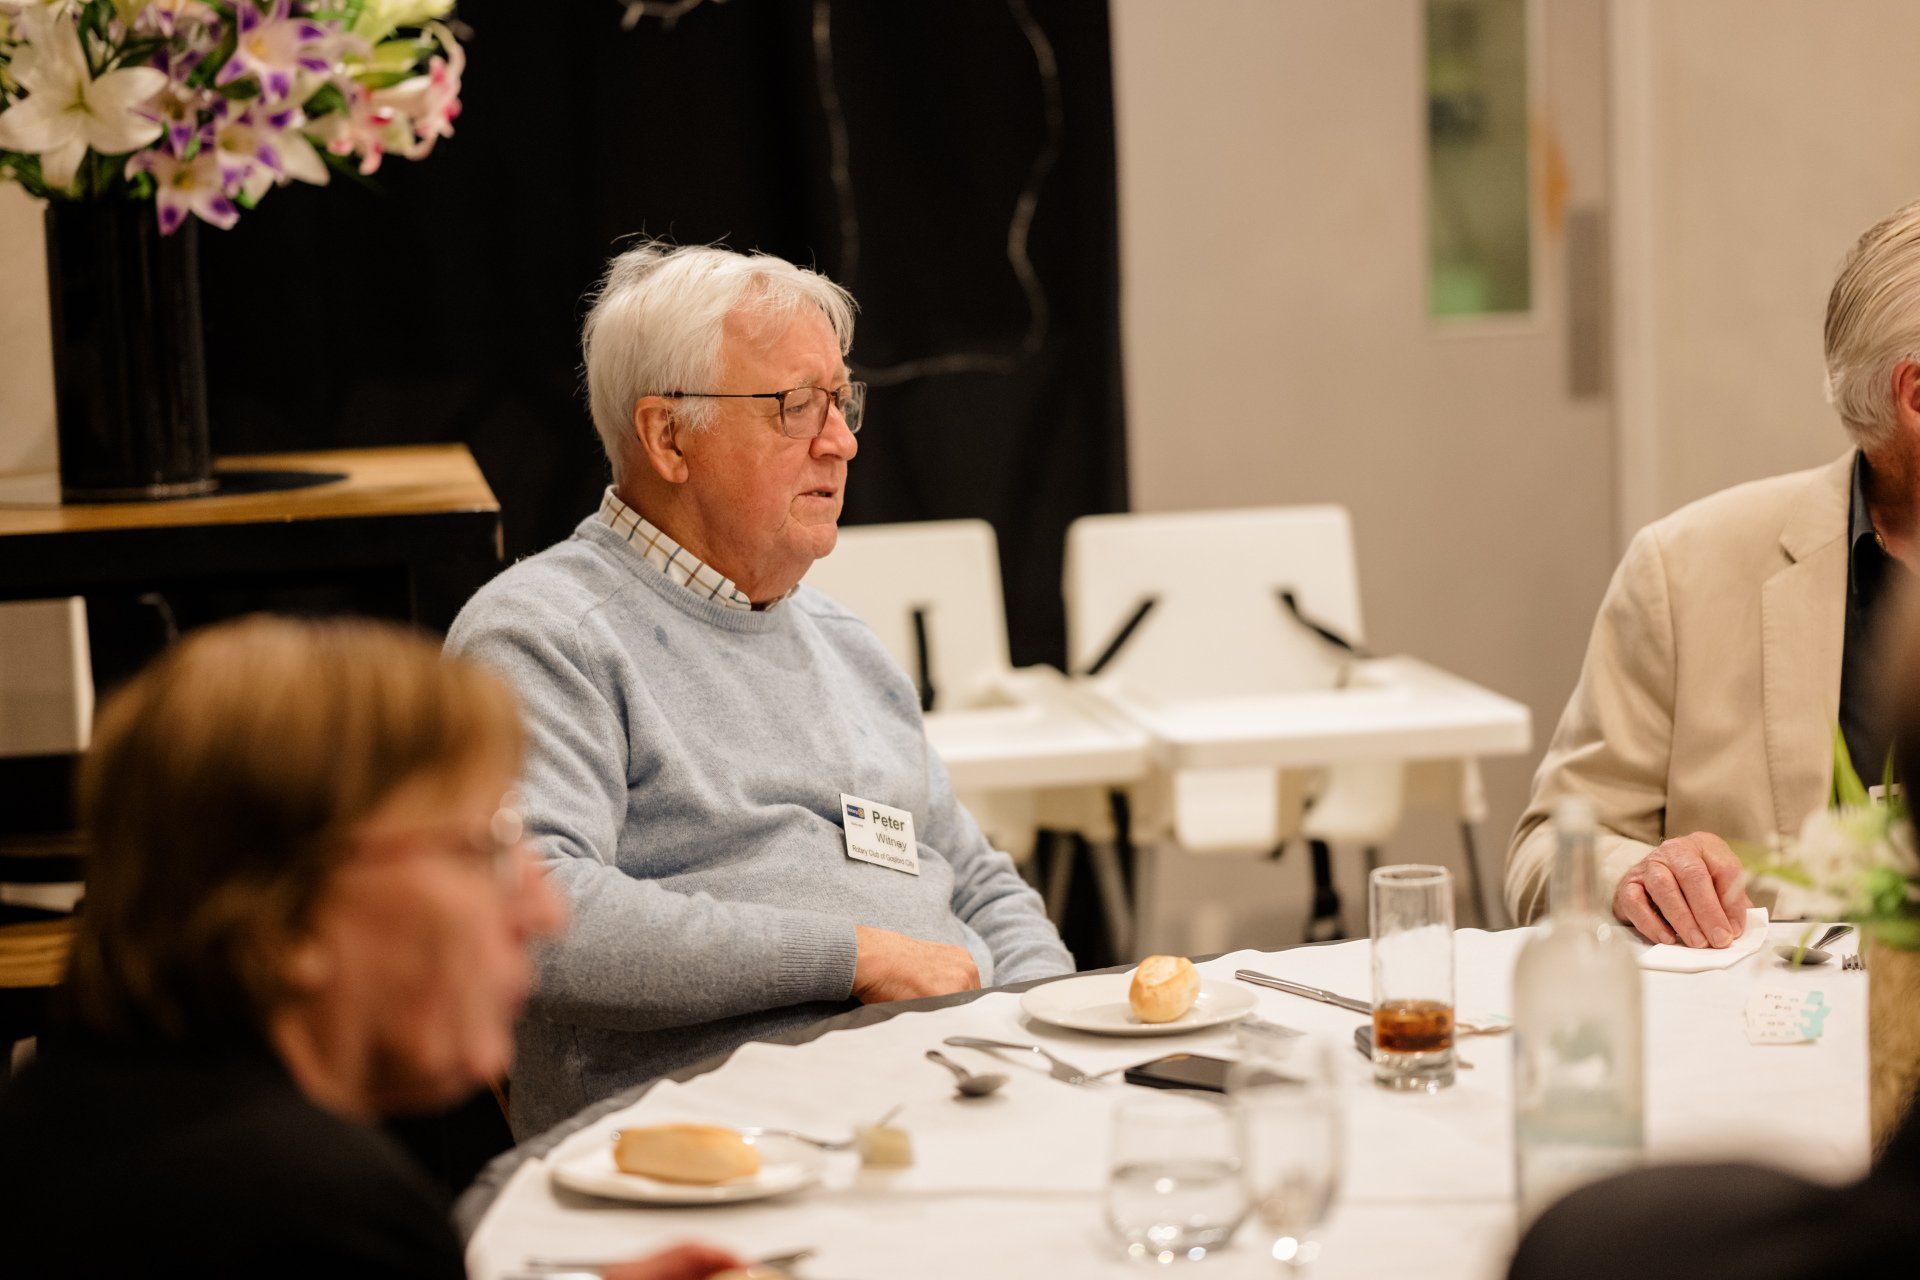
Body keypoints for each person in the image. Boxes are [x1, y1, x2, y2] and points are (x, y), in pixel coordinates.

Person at [447, 242, 1074, 1138]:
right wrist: (852, 957)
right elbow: (540, 913)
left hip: (952, 1101)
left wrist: (1053, 1034)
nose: (843, 440)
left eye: (841, 399)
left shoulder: (845, 643)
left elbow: (976, 883)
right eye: (797, 407)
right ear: (668, 437)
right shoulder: (545, 635)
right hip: (725, 1147)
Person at [0, 617, 741, 1279]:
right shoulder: (317, 1214)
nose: (542, 909)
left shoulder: (68, 1117)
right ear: (285, 916)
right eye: (481, 848)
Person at [1508, 197, 1920, 944]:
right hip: (1769, 1036)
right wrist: (1636, 879)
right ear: (1916, 395)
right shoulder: (1687, 572)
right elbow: (1544, 852)